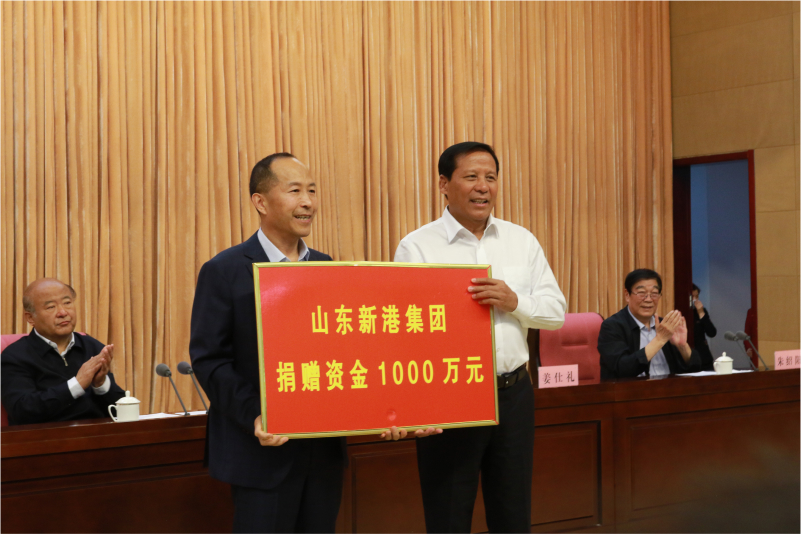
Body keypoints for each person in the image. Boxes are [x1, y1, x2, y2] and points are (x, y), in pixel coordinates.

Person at [189, 153, 405, 534]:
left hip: (322, 455)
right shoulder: (224, 270)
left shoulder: (327, 267)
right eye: (295, 191)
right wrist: (257, 415)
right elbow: (210, 361)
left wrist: (385, 410)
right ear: (260, 201)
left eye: (312, 191)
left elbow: (348, 352)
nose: (308, 202)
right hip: (261, 453)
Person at [394, 141, 566, 533]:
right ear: (444, 184)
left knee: (513, 512)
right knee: (449, 513)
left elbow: (555, 312)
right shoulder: (417, 246)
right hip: (448, 395)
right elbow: (406, 333)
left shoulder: (521, 240)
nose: (483, 186)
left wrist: (514, 301)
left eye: (490, 177)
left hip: (513, 393)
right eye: (471, 176)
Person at [1, 278, 124, 425]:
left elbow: (119, 411)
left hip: (97, 434)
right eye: (51, 307)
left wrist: (101, 384)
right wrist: (77, 384)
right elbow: (22, 411)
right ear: (30, 318)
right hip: (46, 437)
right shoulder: (14, 356)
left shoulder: (92, 347)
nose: (63, 312)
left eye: (67, 303)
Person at [598, 269, 701, 379]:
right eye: (641, 293)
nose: (648, 299)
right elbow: (623, 369)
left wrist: (682, 346)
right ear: (627, 295)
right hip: (633, 389)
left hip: (670, 387)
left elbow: (696, 368)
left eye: (654, 293)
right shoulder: (612, 326)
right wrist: (659, 340)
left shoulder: (665, 326)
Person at [691, 283, 717, 370]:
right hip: (689, 357)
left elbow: (712, 333)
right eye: (693, 296)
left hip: (704, 357)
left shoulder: (701, 311)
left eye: (697, 296)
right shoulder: (682, 312)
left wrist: (701, 314)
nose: (695, 300)